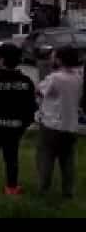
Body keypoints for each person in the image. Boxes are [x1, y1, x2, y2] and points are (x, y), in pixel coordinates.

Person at [0, 43, 36, 195]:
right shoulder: (26, 82)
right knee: (12, 159)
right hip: (15, 129)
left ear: (1, 60)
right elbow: (31, 107)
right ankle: (11, 187)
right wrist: (23, 125)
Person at [36, 46, 83, 198]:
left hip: (51, 124)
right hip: (71, 126)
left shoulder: (55, 78)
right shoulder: (78, 77)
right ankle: (68, 191)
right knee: (67, 160)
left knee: (46, 157)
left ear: (60, 60)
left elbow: (39, 91)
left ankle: (44, 189)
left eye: (54, 56)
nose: (52, 59)